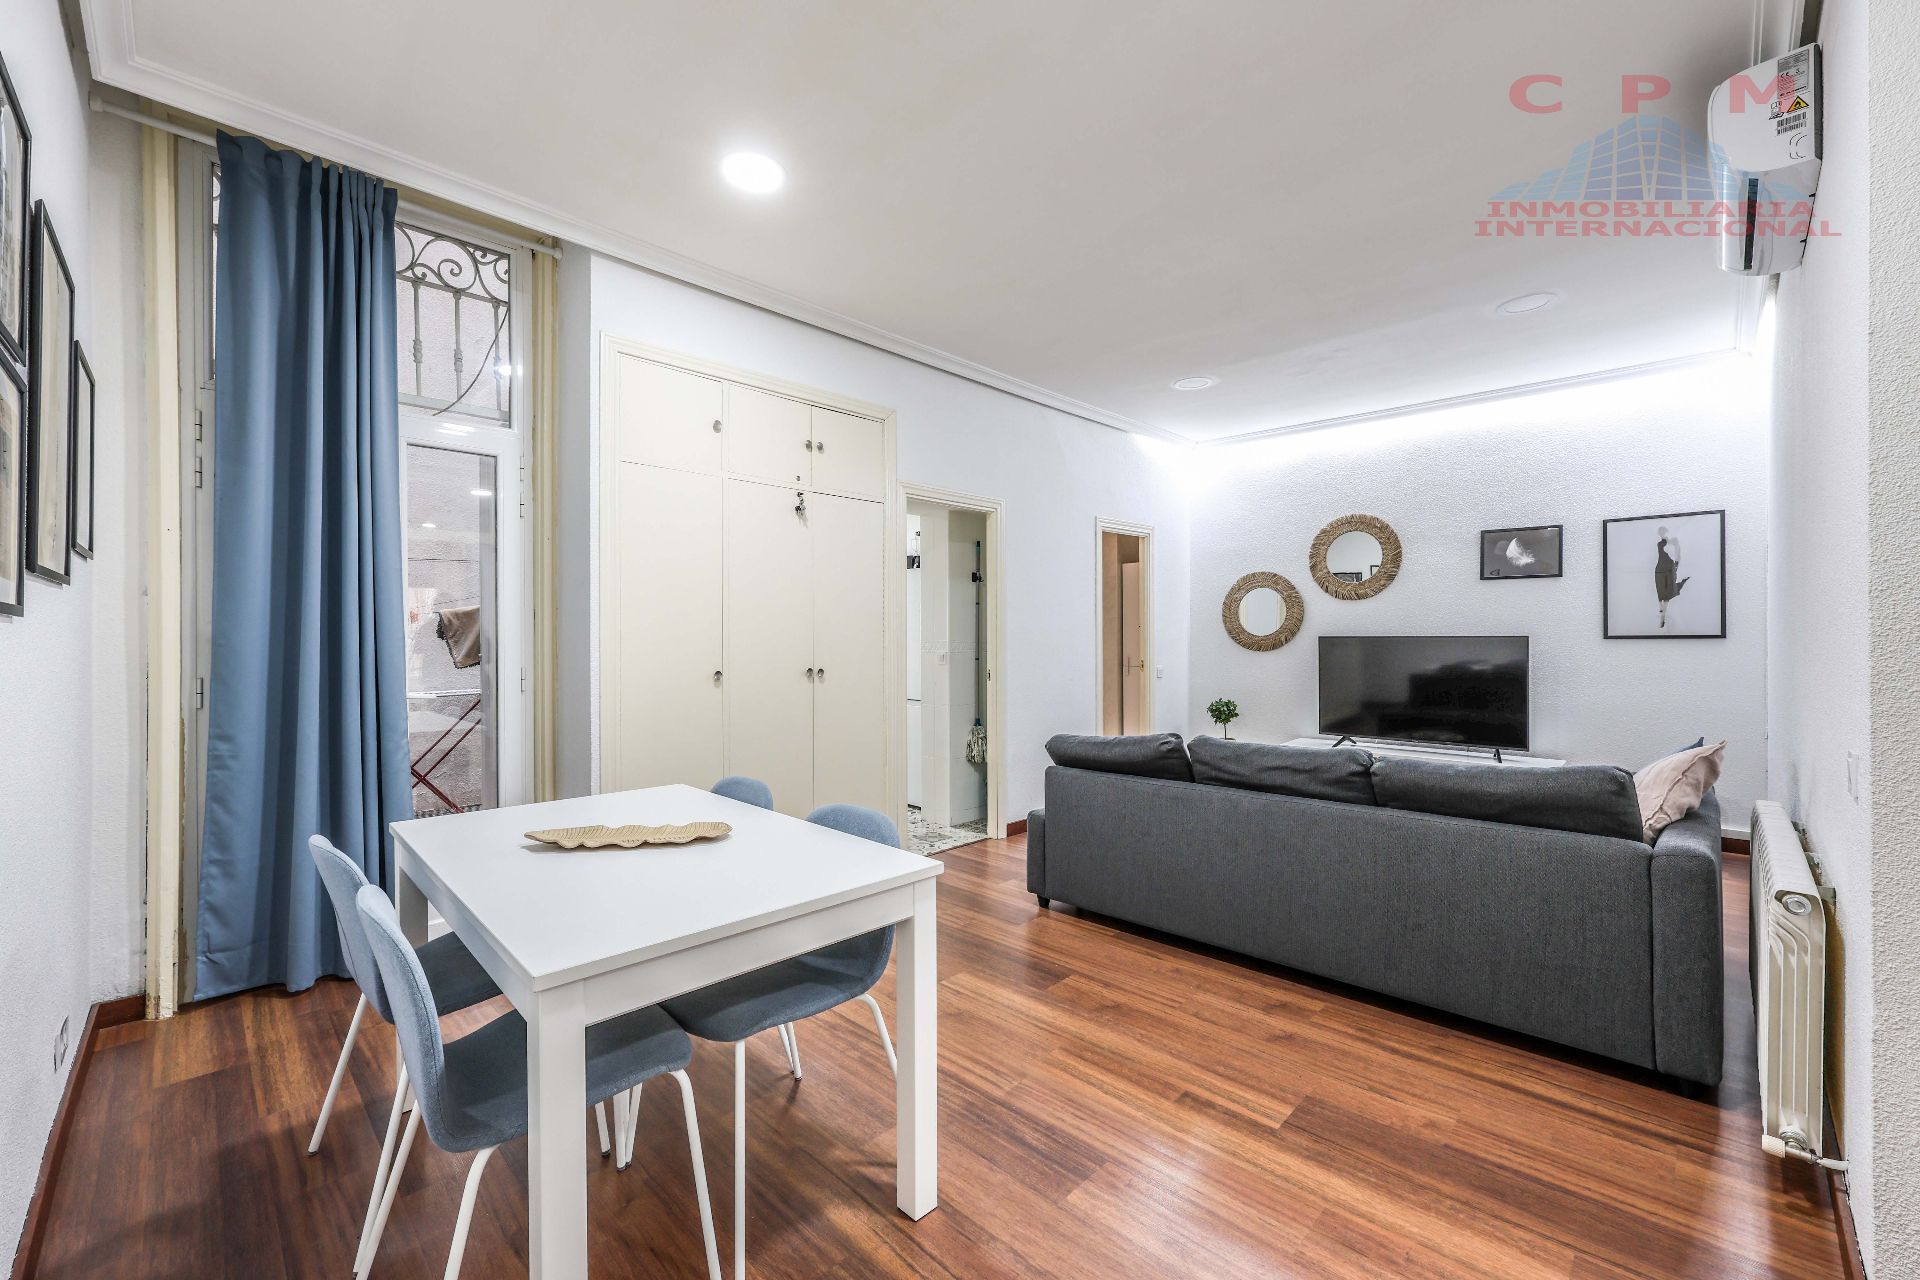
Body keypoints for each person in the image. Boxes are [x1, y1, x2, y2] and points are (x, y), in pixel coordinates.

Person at [1655, 526, 1690, 628]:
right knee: (1662, 593)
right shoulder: (1662, 543)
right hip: (1660, 570)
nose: (1662, 533)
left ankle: (1663, 617)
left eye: (1663, 531)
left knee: (1666, 594)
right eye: (1660, 532)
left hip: (1668, 570)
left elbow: (1677, 555)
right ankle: (1662, 614)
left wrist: (1676, 566)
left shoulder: (1672, 542)